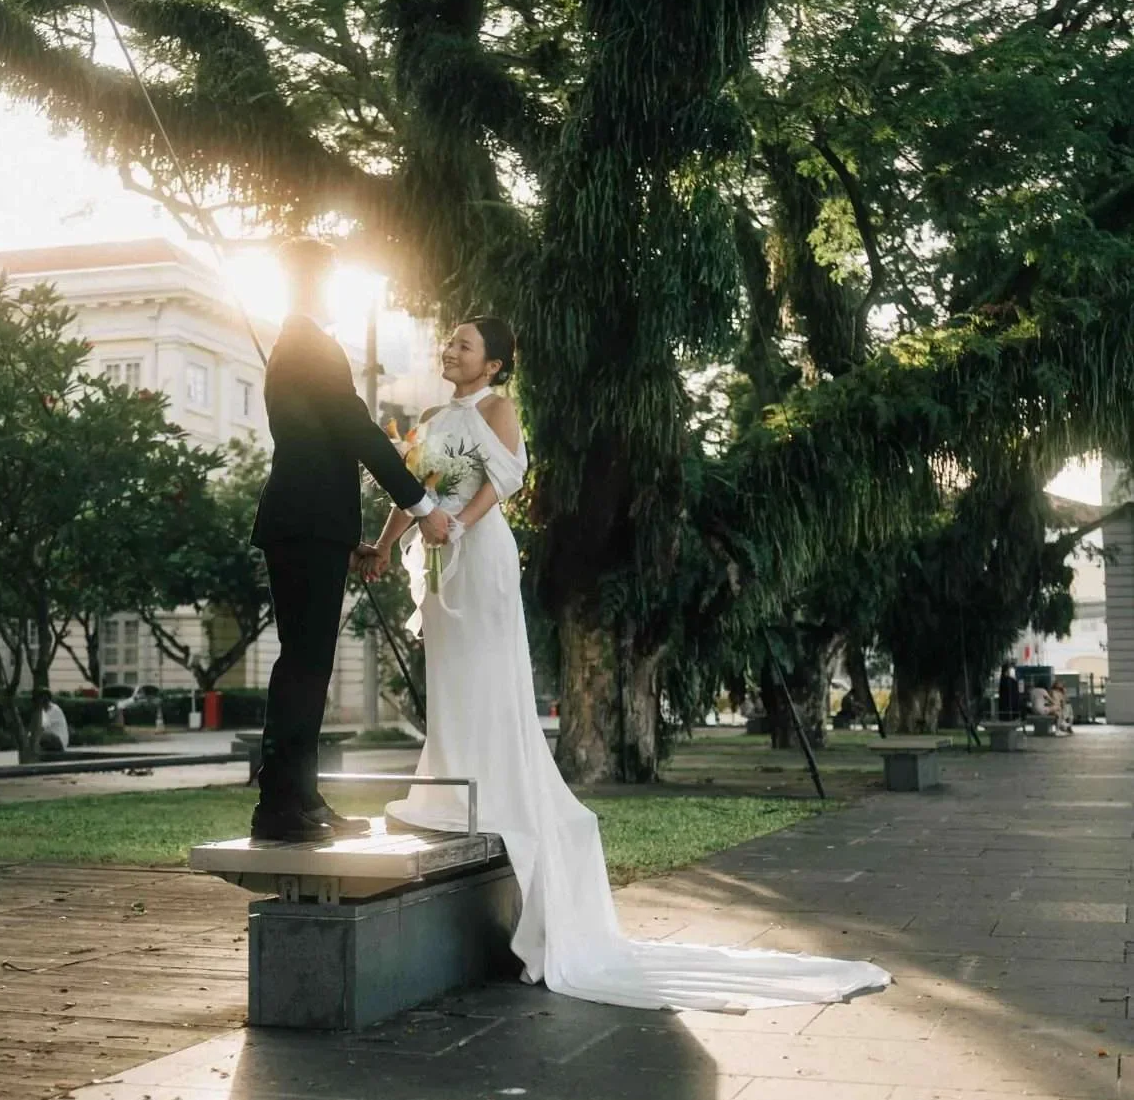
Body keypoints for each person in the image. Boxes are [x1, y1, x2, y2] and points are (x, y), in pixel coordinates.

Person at [363, 317, 890, 1012]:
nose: (450, 349)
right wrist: (380, 544)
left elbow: (506, 476)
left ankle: (493, 787)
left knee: (487, 674)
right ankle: (446, 782)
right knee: (450, 679)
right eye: (449, 340)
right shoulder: (429, 417)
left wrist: (457, 524)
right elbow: (412, 489)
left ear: (493, 364)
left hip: (476, 550)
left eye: (465, 343)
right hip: (434, 566)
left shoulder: (498, 408)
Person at [250, 239, 450, 845]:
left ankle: (301, 799)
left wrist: (353, 536)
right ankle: (279, 808)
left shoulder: (301, 343)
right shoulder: (311, 344)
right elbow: (355, 429)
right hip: (304, 524)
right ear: (309, 283)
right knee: (302, 666)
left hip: (315, 525)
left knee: (309, 666)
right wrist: (420, 502)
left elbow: (331, 441)